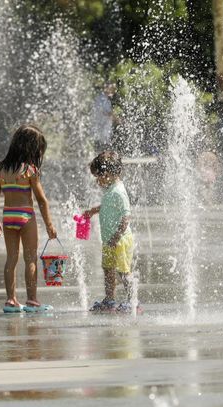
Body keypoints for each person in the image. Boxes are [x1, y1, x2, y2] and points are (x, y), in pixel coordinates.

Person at [0, 124, 57, 313]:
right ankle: (32, 301)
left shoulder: (0, 169)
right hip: (26, 216)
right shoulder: (30, 170)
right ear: (30, 148)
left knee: (11, 259)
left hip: (8, 216)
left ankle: (11, 300)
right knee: (30, 259)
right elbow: (42, 200)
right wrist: (49, 224)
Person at [82, 151, 138, 313]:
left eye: (98, 177)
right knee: (108, 270)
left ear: (107, 174)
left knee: (123, 271)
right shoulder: (111, 189)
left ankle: (132, 301)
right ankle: (109, 299)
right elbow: (108, 207)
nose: (97, 181)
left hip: (119, 240)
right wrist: (94, 210)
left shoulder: (119, 191)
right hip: (109, 240)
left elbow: (126, 216)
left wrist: (117, 236)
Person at [91, 82, 117, 152]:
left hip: (104, 127)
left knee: (105, 143)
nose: (113, 91)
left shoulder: (106, 99)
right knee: (102, 144)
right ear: (106, 89)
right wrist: (116, 119)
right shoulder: (101, 99)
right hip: (101, 127)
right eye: (111, 89)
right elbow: (105, 112)